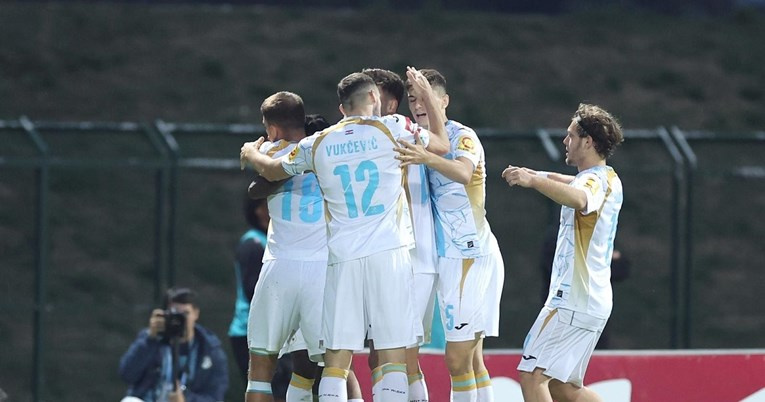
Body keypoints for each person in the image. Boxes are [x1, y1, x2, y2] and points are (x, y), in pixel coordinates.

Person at [240, 68, 448, 402]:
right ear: (373, 98)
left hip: (339, 260)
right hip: (387, 253)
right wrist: (428, 98)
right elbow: (441, 144)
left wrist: (251, 153)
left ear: (341, 109)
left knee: (335, 363)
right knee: (391, 355)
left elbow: (270, 172)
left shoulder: (319, 142)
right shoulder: (392, 128)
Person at [395, 68, 505, 402]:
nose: (418, 105)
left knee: (456, 359)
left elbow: (462, 172)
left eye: (425, 96)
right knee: (472, 359)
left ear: (444, 101)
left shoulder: (461, 135)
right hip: (448, 258)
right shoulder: (419, 139)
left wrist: (425, 157)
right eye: (412, 98)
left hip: (470, 255)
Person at [502, 103, 624, 402]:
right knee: (563, 387)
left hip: (573, 299)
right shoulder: (608, 178)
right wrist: (536, 173)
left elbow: (579, 196)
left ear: (588, 141)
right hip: (592, 301)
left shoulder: (592, 182)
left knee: (531, 376)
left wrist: (532, 181)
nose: (565, 141)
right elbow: (571, 182)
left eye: (570, 135)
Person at [242, 93, 329, 402]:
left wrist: (255, 155)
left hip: (280, 266)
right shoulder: (326, 151)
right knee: (333, 367)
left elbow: (255, 189)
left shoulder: (270, 151)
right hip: (323, 270)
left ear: (273, 129)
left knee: (261, 369)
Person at [362, 67, 437, 402]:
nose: (366, 100)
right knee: (389, 354)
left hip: (410, 257)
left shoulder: (399, 129)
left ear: (390, 104)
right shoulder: (372, 135)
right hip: (390, 256)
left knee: (395, 353)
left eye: (372, 94)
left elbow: (444, 143)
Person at [228, 194, 294, 401]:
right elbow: (251, 290)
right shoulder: (253, 244)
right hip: (249, 330)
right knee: (266, 387)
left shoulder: (276, 242)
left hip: (276, 329)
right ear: (258, 211)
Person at [119, 287, 228, 402]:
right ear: (166, 314)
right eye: (175, 313)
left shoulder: (209, 349)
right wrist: (149, 340)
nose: (180, 319)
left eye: (185, 313)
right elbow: (127, 374)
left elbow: (215, 397)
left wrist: (186, 400)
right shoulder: (152, 338)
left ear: (196, 313)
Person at [538, 222, 631, 349]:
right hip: (563, 313)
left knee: (593, 358)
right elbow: (559, 269)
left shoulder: (603, 234)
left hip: (595, 315)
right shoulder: (559, 235)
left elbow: (622, 269)